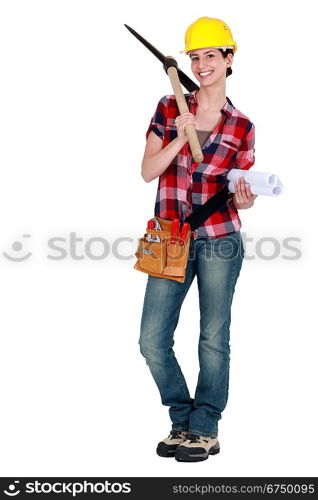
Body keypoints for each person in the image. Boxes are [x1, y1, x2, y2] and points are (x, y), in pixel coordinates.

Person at [138, 17, 257, 462]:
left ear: (229, 59)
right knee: (151, 338)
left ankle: (204, 428)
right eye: (195, 56)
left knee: (213, 337)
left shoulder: (242, 125)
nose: (202, 64)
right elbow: (149, 170)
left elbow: (240, 194)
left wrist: (245, 198)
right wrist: (179, 134)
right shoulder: (169, 107)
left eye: (211, 55)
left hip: (220, 238)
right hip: (169, 235)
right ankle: (182, 416)